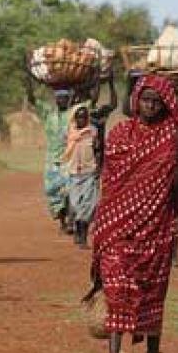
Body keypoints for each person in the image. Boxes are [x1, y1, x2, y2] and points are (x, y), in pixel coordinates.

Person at [88, 74, 178, 353]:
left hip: (156, 231)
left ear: (167, 105)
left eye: (158, 102)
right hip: (117, 226)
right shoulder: (121, 133)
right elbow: (110, 178)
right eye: (146, 100)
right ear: (136, 100)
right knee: (116, 290)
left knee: (153, 297)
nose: (151, 107)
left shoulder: (175, 137)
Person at [27, 86, 73, 233]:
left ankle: (70, 221)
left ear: (68, 100)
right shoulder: (48, 113)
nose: (61, 101)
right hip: (52, 159)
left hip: (69, 157)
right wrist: (28, 82)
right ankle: (62, 220)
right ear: (55, 100)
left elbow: (92, 101)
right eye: (59, 98)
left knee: (70, 190)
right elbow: (33, 100)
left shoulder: (74, 114)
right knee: (52, 191)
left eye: (64, 98)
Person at [62, 104, 99, 249]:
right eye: (78, 117)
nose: (81, 120)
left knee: (89, 205)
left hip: (89, 172)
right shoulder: (69, 133)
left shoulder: (93, 132)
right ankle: (78, 227)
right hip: (73, 174)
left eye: (84, 117)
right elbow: (64, 151)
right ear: (74, 118)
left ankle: (83, 236)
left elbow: (98, 150)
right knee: (76, 205)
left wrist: (99, 168)